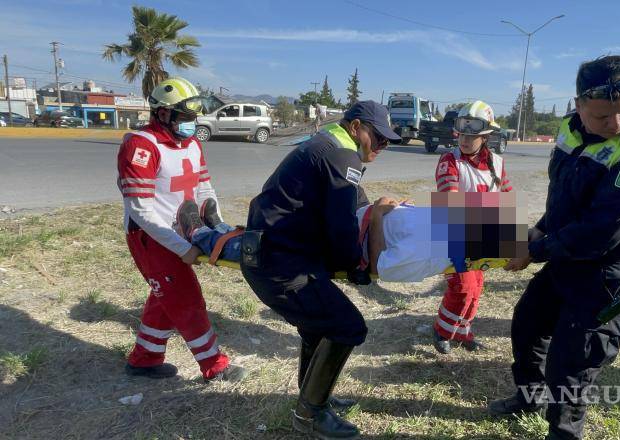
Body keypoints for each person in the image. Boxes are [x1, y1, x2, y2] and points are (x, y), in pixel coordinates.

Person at [489, 56, 620, 440]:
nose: (618, 123)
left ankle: (564, 432)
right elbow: (564, 199)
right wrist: (539, 231)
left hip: (610, 270)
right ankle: (530, 397)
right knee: (528, 325)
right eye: (603, 117)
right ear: (578, 106)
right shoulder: (569, 130)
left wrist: (534, 251)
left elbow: (603, 231)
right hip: (567, 255)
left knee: (574, 359)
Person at [240, 101, 400, 439]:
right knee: (348, 326)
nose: (383, 146)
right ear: (356, 127)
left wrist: (373, 211)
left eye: (388, 141)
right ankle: (310, 415)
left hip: (270, 253)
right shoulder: (342, 154)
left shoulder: (327, 143)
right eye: (379, 138)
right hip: (280, 262)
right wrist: (358, 263)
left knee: (318, 326)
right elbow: (342, 226)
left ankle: (313, 397)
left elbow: (351, 199)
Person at [116, 77, 245, 382]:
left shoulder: (192, 144)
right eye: (185, 117)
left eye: (193, 117)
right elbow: (140, 209)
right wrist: (182, 247)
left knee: (165, 297)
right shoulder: (140, 146)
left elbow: (203, 187)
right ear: (163, 114)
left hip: (184, 232)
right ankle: (215, 365)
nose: (191, 123)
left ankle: (144, 360)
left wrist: (216, 223)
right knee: (186, 300)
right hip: (152, 237)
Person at [431, 100, 513, 354]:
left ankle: (463, 332)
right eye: (461, 134)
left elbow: (507, 199)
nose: (464, 140)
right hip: (454, 234)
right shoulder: (449, 161)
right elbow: (450, 202)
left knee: (476, 288)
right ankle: (441, 331)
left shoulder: (497, 164)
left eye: (472, 136)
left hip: (484, 234)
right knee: (462, 287)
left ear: (486, 136)